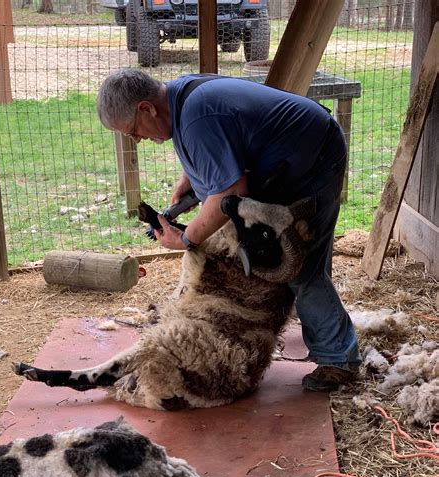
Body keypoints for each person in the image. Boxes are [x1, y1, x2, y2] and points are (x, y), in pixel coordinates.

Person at [96, 69, 361, 392]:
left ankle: (339, 359)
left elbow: (230, 192)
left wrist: (186, 238)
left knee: (301, 266)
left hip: (314, 157)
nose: (136, 139)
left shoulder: (196, 118)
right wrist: (192, 178)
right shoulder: (180, 96)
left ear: (146, 109)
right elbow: (218, 141)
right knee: (293, 258)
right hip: (291, 153)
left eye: (133, 130)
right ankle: (320, 327)